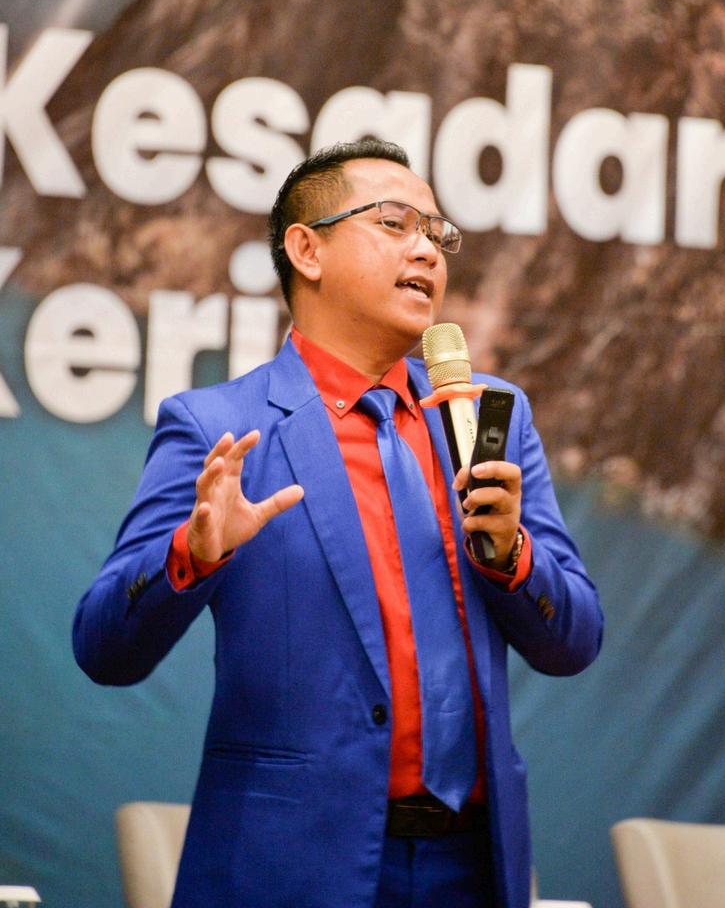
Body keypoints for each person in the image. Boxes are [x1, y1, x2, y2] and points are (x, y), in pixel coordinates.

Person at [73, 138, 603, 908]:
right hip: (289, 867)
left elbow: (574, 639)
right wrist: (192, 554)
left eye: (437, 233)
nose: (426, 249)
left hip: (472, 868)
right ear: (306, 250)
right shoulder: (220, 426)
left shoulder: (488, 417)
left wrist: (510, 555)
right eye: (394, 223)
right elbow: (104, 647)